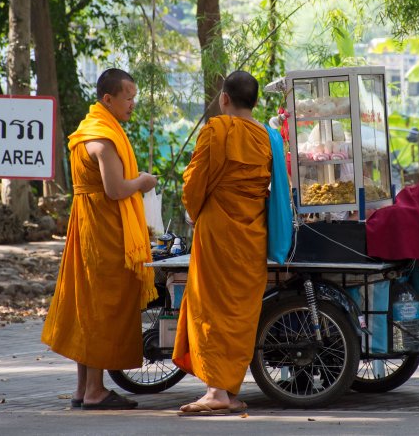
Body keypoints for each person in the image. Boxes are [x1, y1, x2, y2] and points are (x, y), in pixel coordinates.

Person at [41, 68, 158, 410]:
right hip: (103, 231)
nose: (132, 104)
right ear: (108, 99)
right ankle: (95, 391)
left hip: (88, 225)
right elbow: (115, 188)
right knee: (102, 308)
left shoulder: (86, 130)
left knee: (88, 305)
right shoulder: (102, 138)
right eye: (128, 98)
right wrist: (142, 181)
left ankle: (82, 389)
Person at [173, 71, 272, 415]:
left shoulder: (215, 130)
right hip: (253, 234)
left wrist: (193, 211)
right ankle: (229, 391)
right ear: (255, 102)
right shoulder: (268, 137)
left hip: (217, 230)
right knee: (240, 312)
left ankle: (216, 392)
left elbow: (194, 182)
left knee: (213, 307)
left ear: (225, 99)